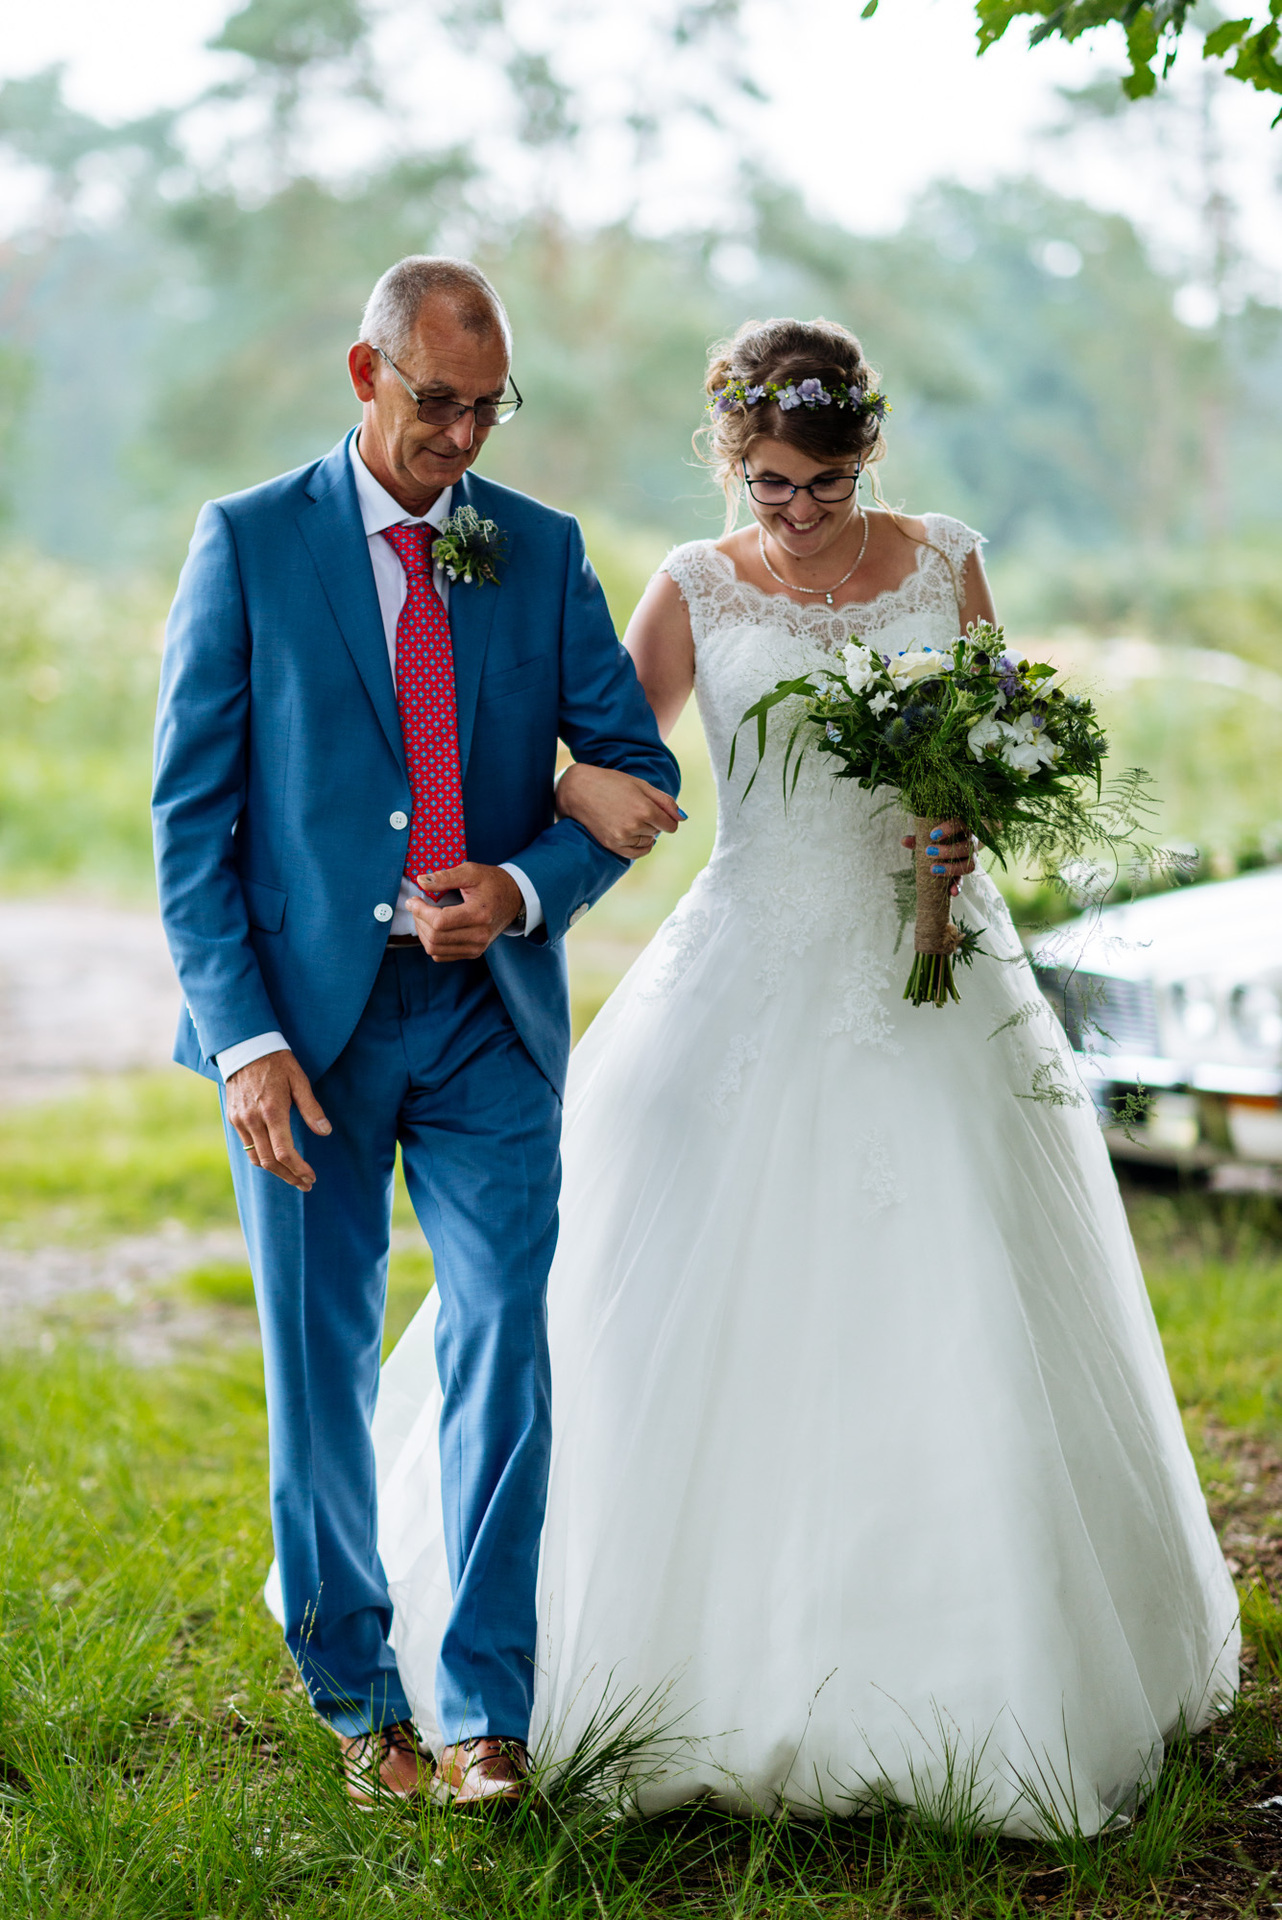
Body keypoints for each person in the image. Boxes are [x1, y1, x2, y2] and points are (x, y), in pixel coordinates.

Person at [372, 315, 1239, 1834]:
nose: (794, 511)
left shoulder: (940, 558)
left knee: (961, 1287)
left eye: (821, 487)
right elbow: (609, 759)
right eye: (768, 483)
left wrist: (971, 820)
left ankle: (984, 1659)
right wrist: (537, 816)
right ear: (731, 460)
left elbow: (992, 733)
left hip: (941, 960)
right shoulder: (693, 585)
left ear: (866, 458)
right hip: (753, 952)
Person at [151, 255, 679, 1809]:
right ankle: (352, 1686)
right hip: (303, 1035)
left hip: (486, 1023)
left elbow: (632, 764)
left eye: (485, 408)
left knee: (504, 1334)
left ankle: (486, 1711)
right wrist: (241, 1039)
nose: (460, 440)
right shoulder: (248, 543)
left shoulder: (539, 548)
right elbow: (191, 827)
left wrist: (520, 886)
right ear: (365, 374)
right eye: (435, 404)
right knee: (318, 1363)